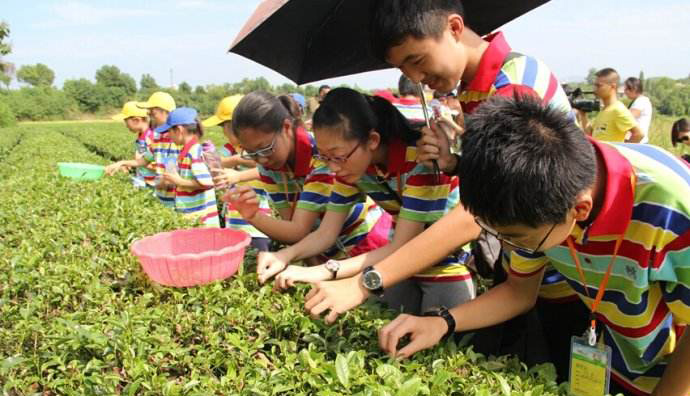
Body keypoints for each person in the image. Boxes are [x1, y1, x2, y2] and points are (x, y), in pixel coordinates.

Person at [380, 94, 690, 396]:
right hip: (616, 362)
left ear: (579, 210)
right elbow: (519, 292)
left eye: (514, 238)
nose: (509, 245)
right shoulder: (534, 194)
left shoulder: (673, 207)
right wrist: (441, 322)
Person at [258, 88, 474, 314]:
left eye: (337, 155)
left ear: (372, 140)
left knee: (442, 332)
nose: (332, 167)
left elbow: (403, 245)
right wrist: (284, 256)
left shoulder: (421, 161)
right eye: (324, 156)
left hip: (444, 264)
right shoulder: (355, 169)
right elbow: (325, 233)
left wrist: (323, 270)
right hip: (395, 266)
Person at [224, 91, 390, 265]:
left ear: (286, 128)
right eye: (251, 153)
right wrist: (310, 268)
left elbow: (298, 231)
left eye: (265, 148)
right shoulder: (269, 167)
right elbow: (292, 228)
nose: (261, 159)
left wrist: (253, 216)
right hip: (324, 247)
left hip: (365, 241)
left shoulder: (323, 158)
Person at [203, 95, 273, 250]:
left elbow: (265, 168)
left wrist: (236, 172)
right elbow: (219, 164)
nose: (224, 133)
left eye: (224, 127)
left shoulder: (258, 149)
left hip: (258, 225)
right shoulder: (230, 148)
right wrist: (212, 158)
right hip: (234, 220)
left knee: (261, 262)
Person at [105, 91, 179, 207]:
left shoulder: (170, 140)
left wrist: (158, 182)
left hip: (166, 193)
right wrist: (122, 163)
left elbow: (167, 171)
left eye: (153, 114)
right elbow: (144, 159)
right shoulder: (156, 137)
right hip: (160, 192)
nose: (151, 119)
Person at [157, 107, 220, 227]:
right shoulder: (186, 151)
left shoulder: (194, 152)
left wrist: (179, 181)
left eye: (169, 131)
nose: (168, 136)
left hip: (201, 219)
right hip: (193, 216)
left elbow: (207, 183)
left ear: (179, 130)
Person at [577, 68, 643, 143]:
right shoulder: (605, 110)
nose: (595, 89)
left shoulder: (618, 109)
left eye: (599, 86)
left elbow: (639, 134)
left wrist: (620, 153)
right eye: (595, 85)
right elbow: (590, 134)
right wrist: (583, 115)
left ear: (613, 86)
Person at [105, 101, 156, 188]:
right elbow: (142, 157)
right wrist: (130, 165)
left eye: (126, 121)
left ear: (136, 120)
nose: (125, 125)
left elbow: (155, 164)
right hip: (142, 180)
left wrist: (124, 163)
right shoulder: (141, 136)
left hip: (151, 184)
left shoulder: (151, 137)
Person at [624, 77, 653, 144]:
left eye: (626, 89)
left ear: (634, 89)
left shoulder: (640, 101)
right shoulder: (638, 101)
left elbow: (628, 118)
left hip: (638, 142)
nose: (625, 92)